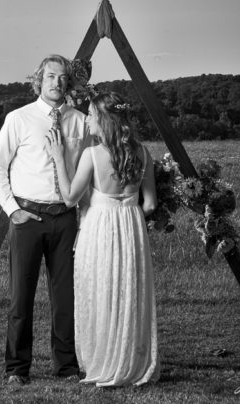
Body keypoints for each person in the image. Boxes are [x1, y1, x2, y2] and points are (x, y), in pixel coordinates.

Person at [0, 54, 90, 386]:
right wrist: (12, 209)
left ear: (69, 83)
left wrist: (85, 218)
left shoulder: (81, 121)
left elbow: (86, 173)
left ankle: (66, 367)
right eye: (50, 77)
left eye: (62, 78)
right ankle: (17, 368)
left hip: (66, 218)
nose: (56, 82)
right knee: (21, 297)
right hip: (28, 218)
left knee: (65, 298)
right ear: (39, 80)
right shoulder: (19, 119)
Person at [46, 91, 160, 387]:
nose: (87, 120)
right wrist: (128, 214)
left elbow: (70, 197)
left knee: (100, 290)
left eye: (91, 115)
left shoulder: (93, 154)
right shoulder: (143, 152)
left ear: (105, 120)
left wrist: (58, 157)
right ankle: (131, 361)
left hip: (99, 228)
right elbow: (150, 205)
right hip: (131, 226)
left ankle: (104, 360)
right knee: (129, 291)